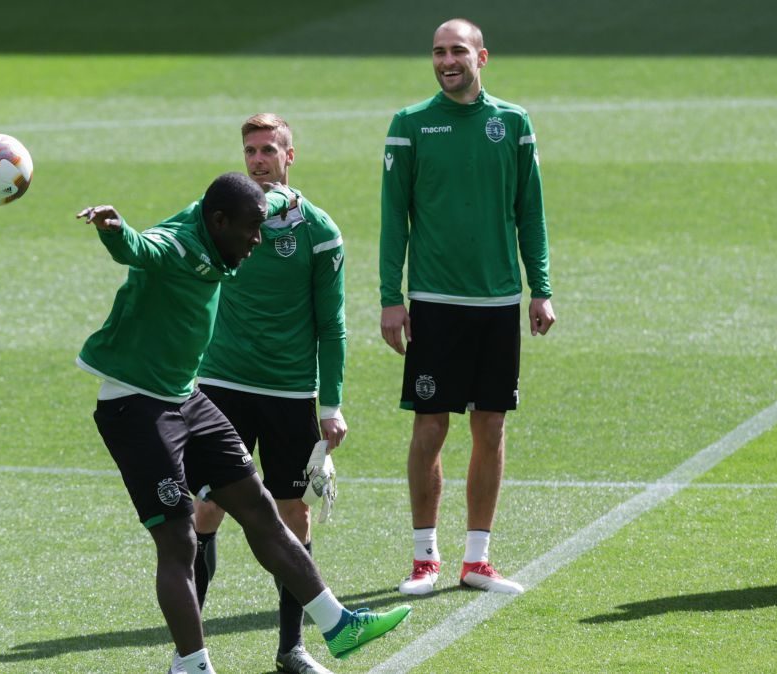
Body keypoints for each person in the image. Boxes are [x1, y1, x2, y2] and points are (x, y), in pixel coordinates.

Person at [75, 173, 410, 674]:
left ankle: (337, 625)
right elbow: (140, 248)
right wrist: (114, 228)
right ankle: (192, 665)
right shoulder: (180, 245)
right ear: (218, 221)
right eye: (252, 229)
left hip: (185, 396)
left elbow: (269, 198)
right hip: (137, 406)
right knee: (179, 538)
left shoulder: (229, 221)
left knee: (260, 508)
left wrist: (288, 196)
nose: (258, 240)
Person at [379, 18, 557, 597]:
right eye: (437, 51)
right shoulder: (409, 125)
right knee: (430, 427)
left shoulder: (513, 122)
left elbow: (529, 211)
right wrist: (390, 298)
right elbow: (393, 220)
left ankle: (477, 560)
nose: (446, 60)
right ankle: (425, 559)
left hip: (499, 301)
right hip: (433, 302)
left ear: (483, 56)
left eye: (457, 50)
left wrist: (541, 288)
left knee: (491, 425)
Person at [189, 114, 347, 674]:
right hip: (221, 387)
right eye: (250, 150)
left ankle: (291, 649)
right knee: (206, 510)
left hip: (288, 394)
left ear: (289, 156)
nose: (258, 160)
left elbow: (332, 325)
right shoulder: (221, 220)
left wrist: (330, 405)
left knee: (292, 518)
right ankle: (193, 652)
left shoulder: (320, 232)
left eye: (268, 151)